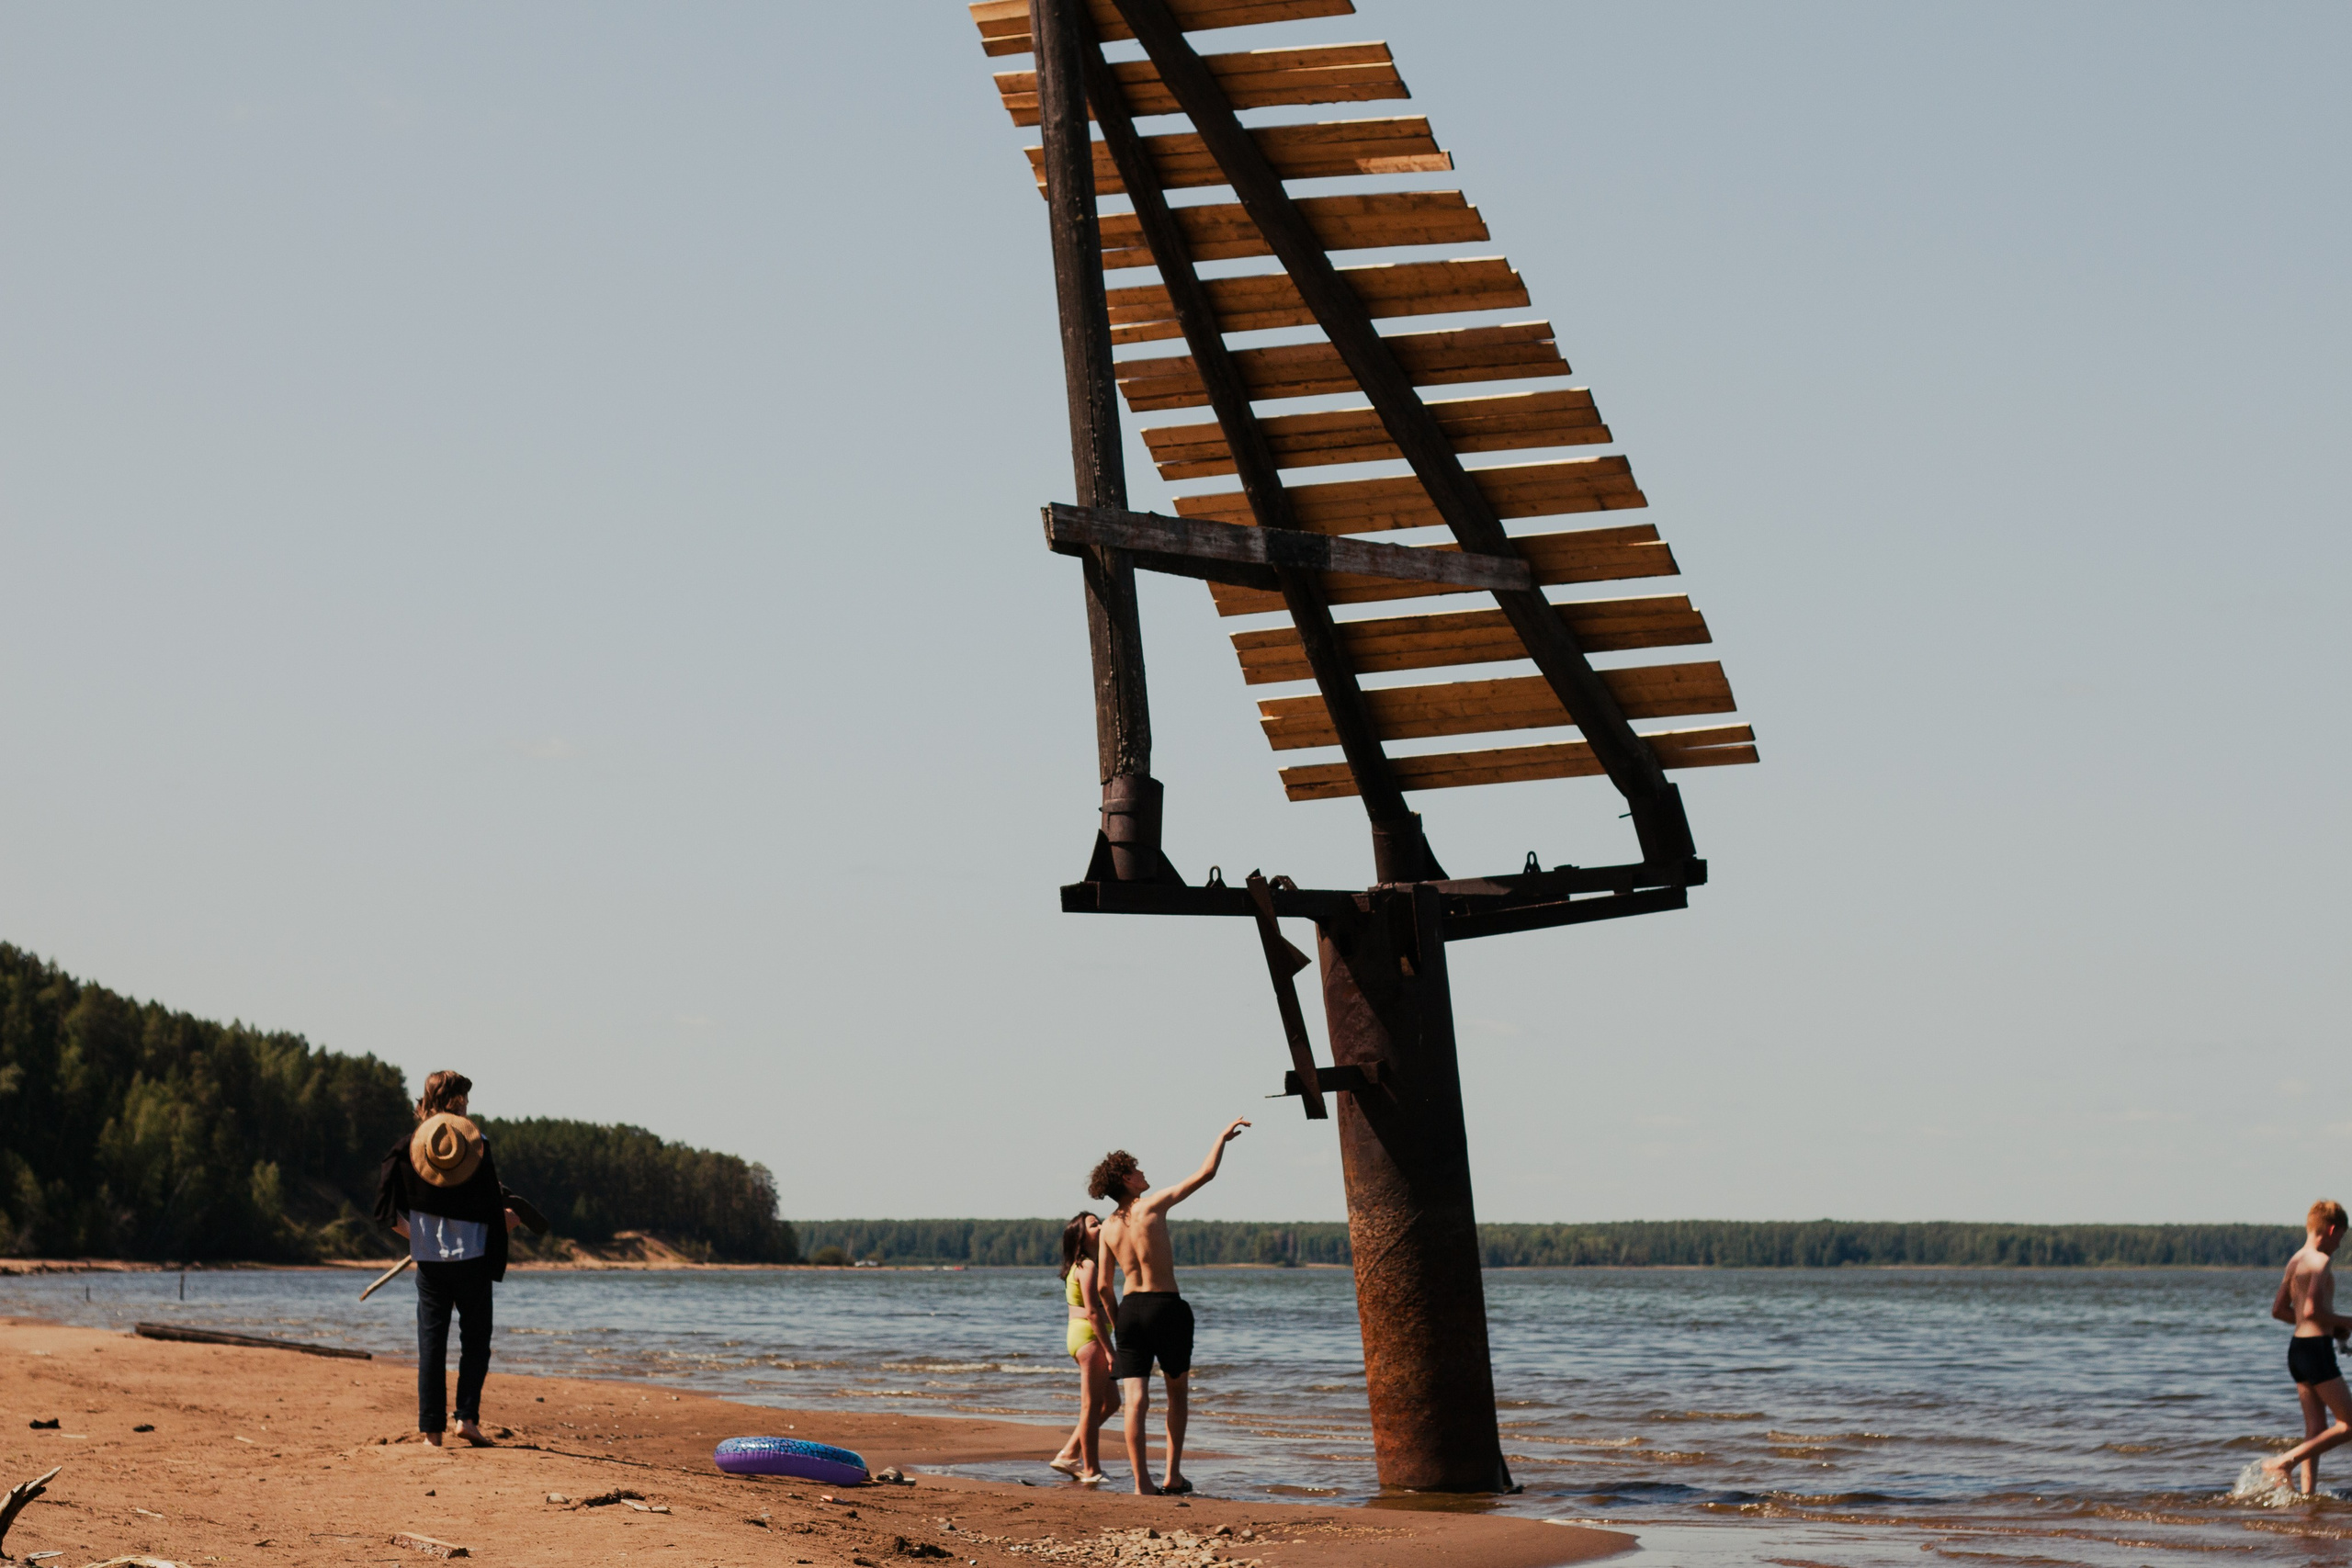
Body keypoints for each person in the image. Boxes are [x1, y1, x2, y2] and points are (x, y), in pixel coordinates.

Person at [1091, 1118, 1250, 1495]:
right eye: (1137, 1169)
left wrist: (1118, 1323)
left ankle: (1142, 1483)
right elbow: (1206, 1173)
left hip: (1130, 1311)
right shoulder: (1152, 1205)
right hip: (1166, 1305)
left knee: (1136, 1400)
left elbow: (1102, 1286)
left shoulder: (1108, 1228)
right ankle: (1172, 1476)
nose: (1143, 1172)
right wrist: (1221, 1138)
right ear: (1128, 1180)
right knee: (1176, 1392)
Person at [373, 1070, 521, 1448]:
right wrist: (508, 1222)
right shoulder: (478, 1147)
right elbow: (492, 1210)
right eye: (466, 1101)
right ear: (457, 1103)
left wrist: (418, 1239)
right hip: (472, 1261)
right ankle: (466, 1418)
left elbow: (384, 1212)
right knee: (476, 1341)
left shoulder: (407, 1148)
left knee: (431, 1344)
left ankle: (432, 1433)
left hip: (430, 1265)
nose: (468, 1107)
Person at [2263, 1199, 2352, 1494]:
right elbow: (2313, 1311)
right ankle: (2284, 1462)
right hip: (2316, 1351)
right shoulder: (2321, 1261)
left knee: (2315, 1429)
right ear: (2331, 1229)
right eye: (2341, 1236)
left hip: (2298, 1351)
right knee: (2348, 1425)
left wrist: (2332, 1326)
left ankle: (2307, 1495)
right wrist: (2348, 1322)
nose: (2339, 1244)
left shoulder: (2296, 1260)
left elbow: (2280, 1310)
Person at [1047, 1212, 1118, 1485]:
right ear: (1080, 1236)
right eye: (1094, 1224)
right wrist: (1110, 1349)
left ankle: (1070, 1452)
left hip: (1082, 1337)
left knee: (1112, 1403)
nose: (1100, 1226)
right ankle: (1091, 1468)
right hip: (1089, 1337)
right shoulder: (1087, 1266)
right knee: (1090, 1406)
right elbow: (1092, 1312)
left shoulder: (1084, 1265)